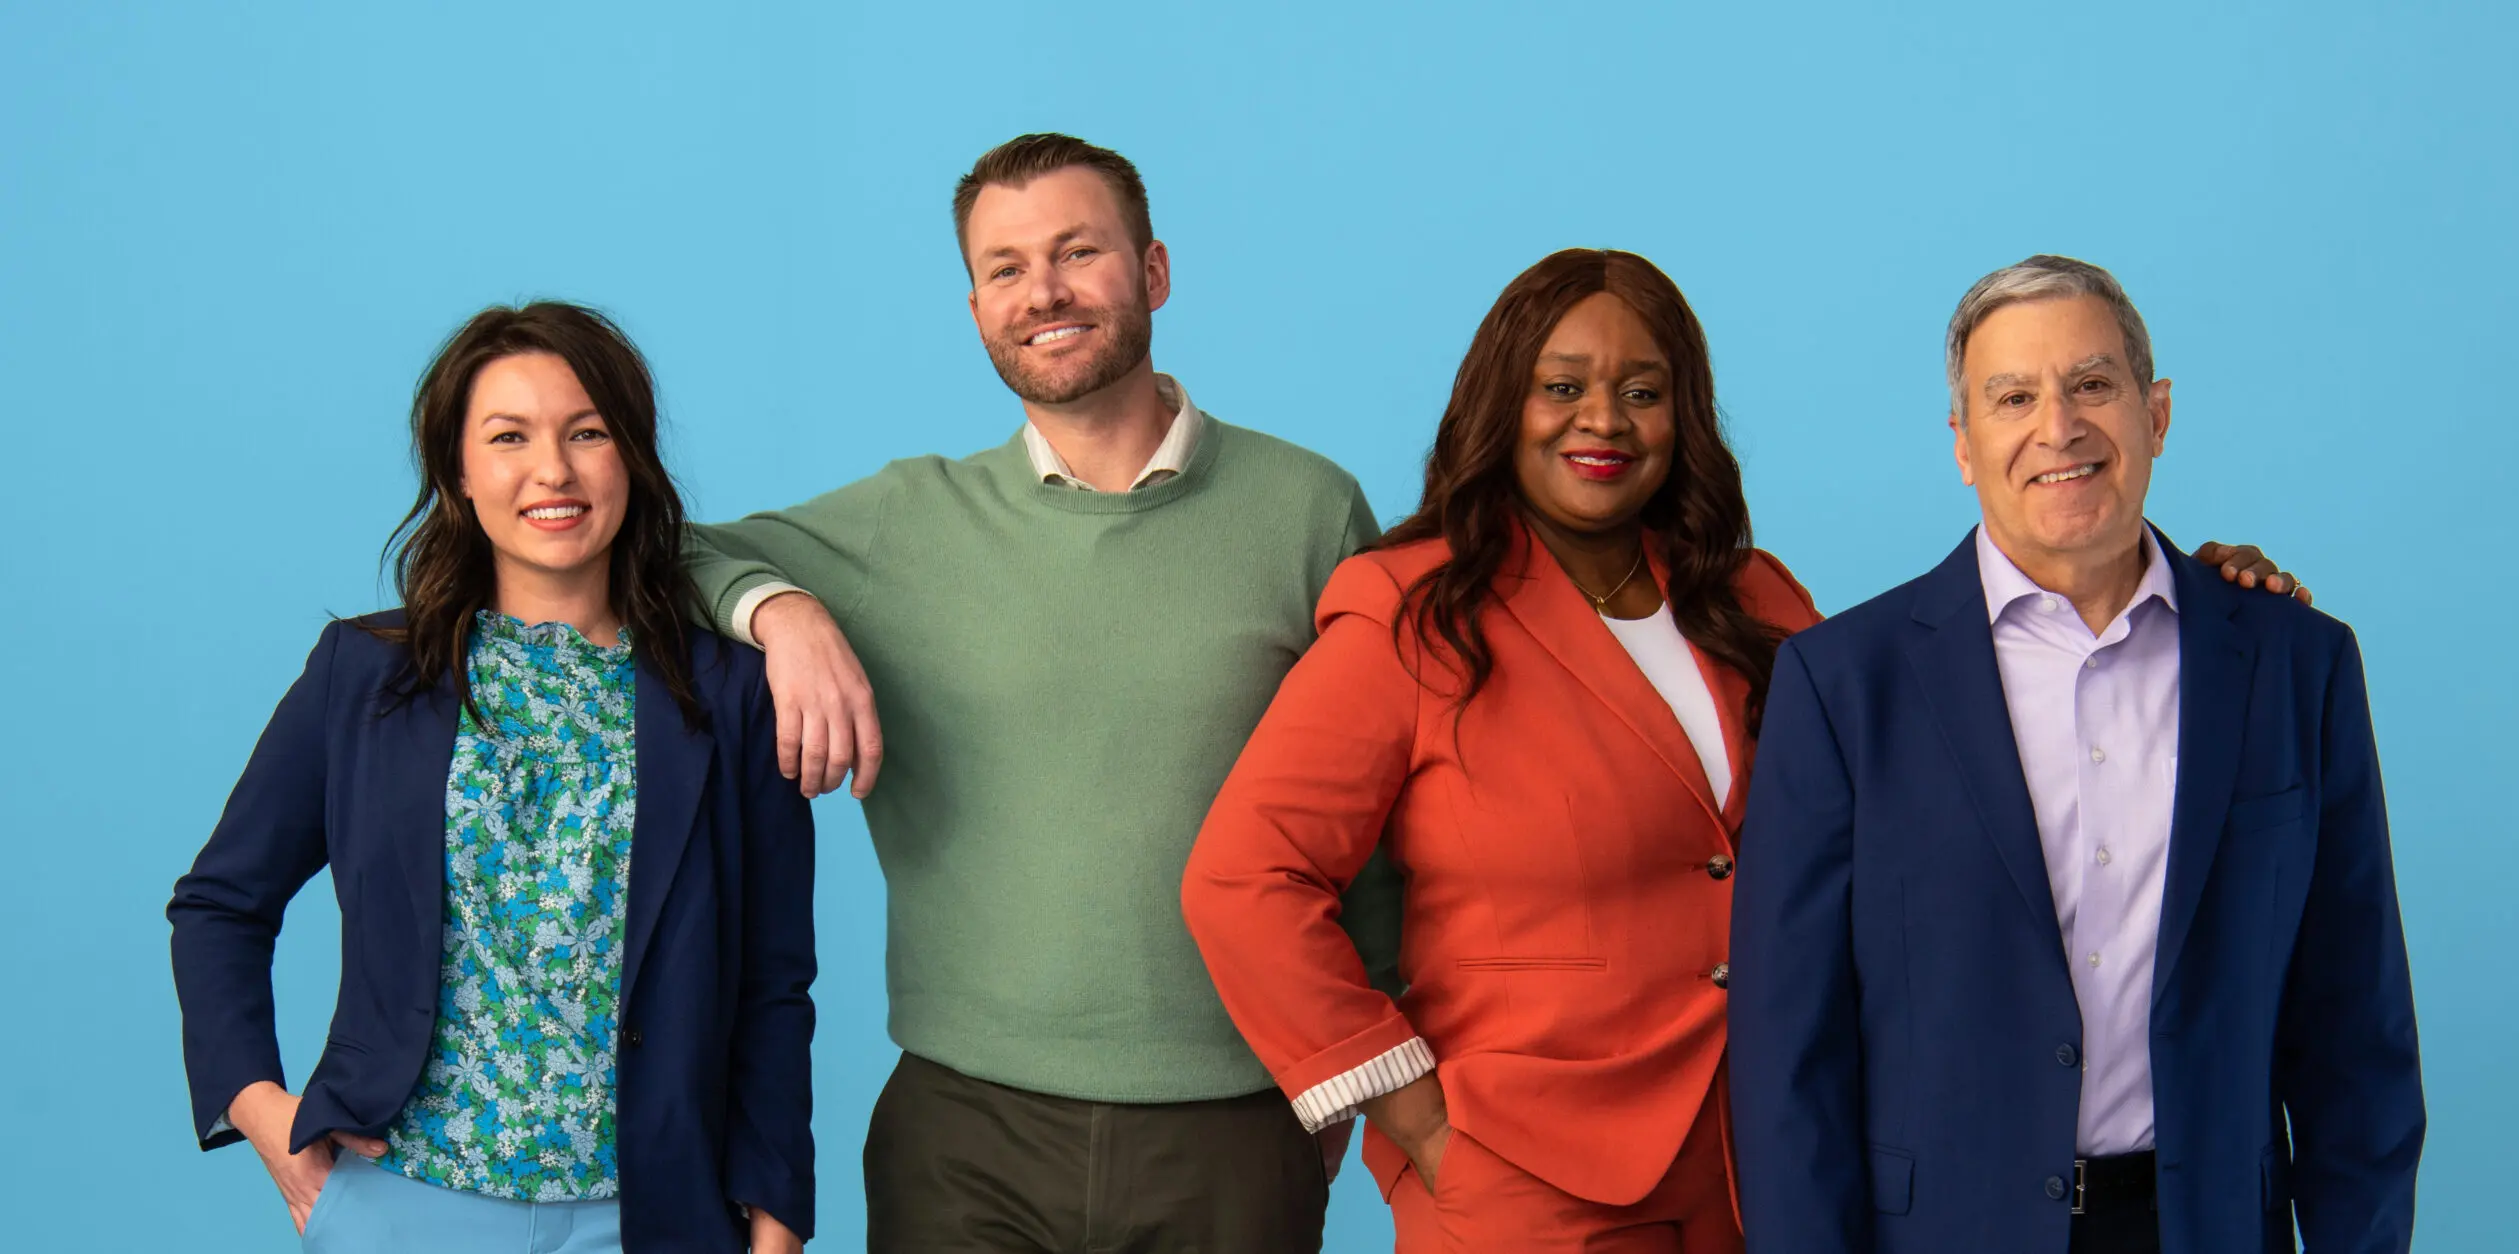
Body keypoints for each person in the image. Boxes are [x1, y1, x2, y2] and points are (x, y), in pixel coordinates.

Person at [1177, 249, 2309, 1252]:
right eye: (1561, 388)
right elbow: (1243, 877)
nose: (1602, 421)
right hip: (1528, 1179)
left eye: (1642, 391)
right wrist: (1407, 1105)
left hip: (1756, 1166)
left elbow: (1952, 708)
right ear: (1498, 404)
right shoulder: (1410, 612)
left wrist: (2189, 603)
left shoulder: (1757, 603)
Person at [681, 133, 1402, 1251]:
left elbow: (1380, 811)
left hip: (1235, 1119)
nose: (1044, 293)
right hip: (964, 1131)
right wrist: (785, 611)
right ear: (974, 307)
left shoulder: (1306, 508)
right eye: (1006, 268)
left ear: (1153, 273)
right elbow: (661, 555)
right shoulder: (907, 522)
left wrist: (1343, 1075)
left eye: (1078, 252)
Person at [1729, 255, 2424, 1254]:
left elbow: (2357, 1036)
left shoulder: (2292, 664)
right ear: (1963, 445)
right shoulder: (1843, 686)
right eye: (2012, 397)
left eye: (2091, 384)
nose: (2058, 428)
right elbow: (1786, 1063)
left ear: (2158, 413)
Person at [169, 303, 818, 1254]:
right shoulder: (365, 675)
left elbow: (773, 979)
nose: (552, 471)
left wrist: (778, 1221)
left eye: (586, 433)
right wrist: (265, 1114)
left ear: (630, 457)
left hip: (655, 1214)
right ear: (458, 474)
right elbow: (221, 903)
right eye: (508, 437)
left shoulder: (732, 694)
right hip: (402, 1199)